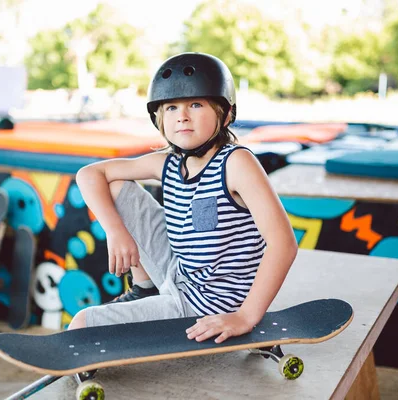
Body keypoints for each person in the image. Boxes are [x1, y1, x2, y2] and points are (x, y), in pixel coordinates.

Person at [69, 52, 298, 344]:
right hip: (179, 275)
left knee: (82, 323)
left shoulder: (236, 163)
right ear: (159, 118)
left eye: (196, 104)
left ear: (226, 114)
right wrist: (115, 231)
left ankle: (156, 302)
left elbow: (284, 244)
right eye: (172, 107)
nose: (182, 116)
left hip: (207, 306)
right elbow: (89, 175)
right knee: (115, 187)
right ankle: (145, 287)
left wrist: (246, 316)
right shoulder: (168, 163)